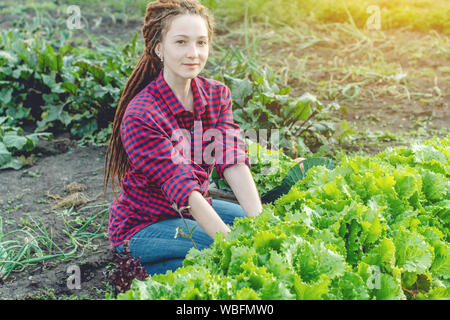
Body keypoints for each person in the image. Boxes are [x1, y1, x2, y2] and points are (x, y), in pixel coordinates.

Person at [103, 0, 263, 276]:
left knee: (256, 232)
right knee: (219, 253)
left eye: (201, 43)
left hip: (192, 211)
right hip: (144, 225)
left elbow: (232, 157)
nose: (193, 53)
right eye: (181, 42)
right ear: (158, 48)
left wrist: (262, 225)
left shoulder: (216, 94)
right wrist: (231, 248)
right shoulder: (141, 114)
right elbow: (182, 187)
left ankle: (162, 268)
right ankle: (134, 265)